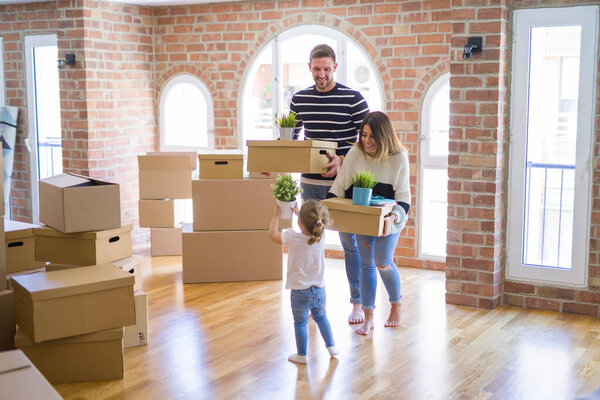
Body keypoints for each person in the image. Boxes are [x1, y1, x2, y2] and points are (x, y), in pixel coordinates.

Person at [289, 43, 370, 325]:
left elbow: (367, 142)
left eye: (326, 69)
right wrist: (272, 165)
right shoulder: (299, 99)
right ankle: (312, 299)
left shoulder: (353, 99)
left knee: (350, 245)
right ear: (309, 67)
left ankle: (357, 304)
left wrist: (342, 160)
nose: (321, 74)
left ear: (335, 67)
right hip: (310, 184)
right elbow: (290, 141)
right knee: (311, 243)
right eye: (316, 69)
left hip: (345, 185)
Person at [327, 111, 411, 335]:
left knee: (382, 261)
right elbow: (340, 185)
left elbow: (404, 199)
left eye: (373, 136)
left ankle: (396, 304)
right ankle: (369, 316)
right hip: (363, 216)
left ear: (384, 136)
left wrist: (392, 218)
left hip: (390, 218)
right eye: (364, 135)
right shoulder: (356, 152)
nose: (367, 141)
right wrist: (328, 209)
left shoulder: (398, 157)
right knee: (366, 263)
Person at [269, 200, 338, 364]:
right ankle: (331, 347)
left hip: (300, 292)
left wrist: (276, 215)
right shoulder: (320, 237)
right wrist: (299, 213)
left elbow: (272, 235)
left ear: (299, 223)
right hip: (319, 290)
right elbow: (310, 223)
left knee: (300, 323)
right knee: (321, 317)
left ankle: (301, 355)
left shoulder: (292, 237)